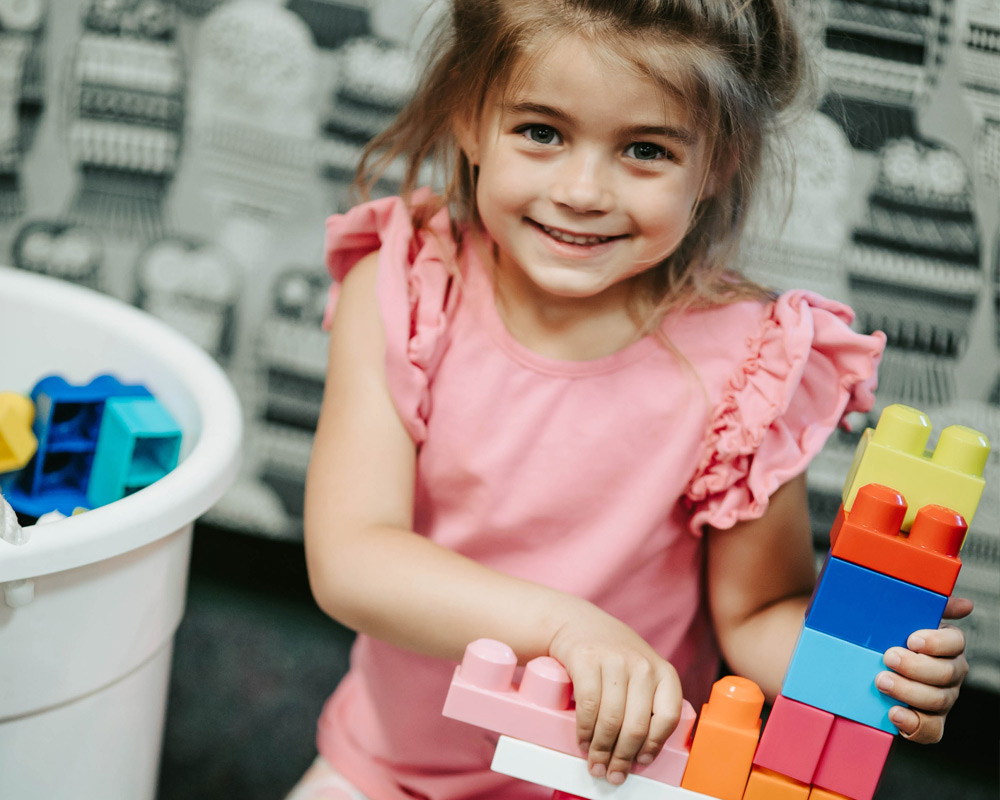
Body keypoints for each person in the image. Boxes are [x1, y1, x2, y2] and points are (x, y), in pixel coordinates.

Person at [290, 1, 972, 798]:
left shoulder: (753, 366)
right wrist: (564, 629)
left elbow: (755, 617)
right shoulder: (405, 288)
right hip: (394, 769)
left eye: (645, 149)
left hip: (624, 784)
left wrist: (876, 667)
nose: (582, 191)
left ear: (721, 161)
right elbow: (352, 559)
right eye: (541, 132)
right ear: (471, 119)